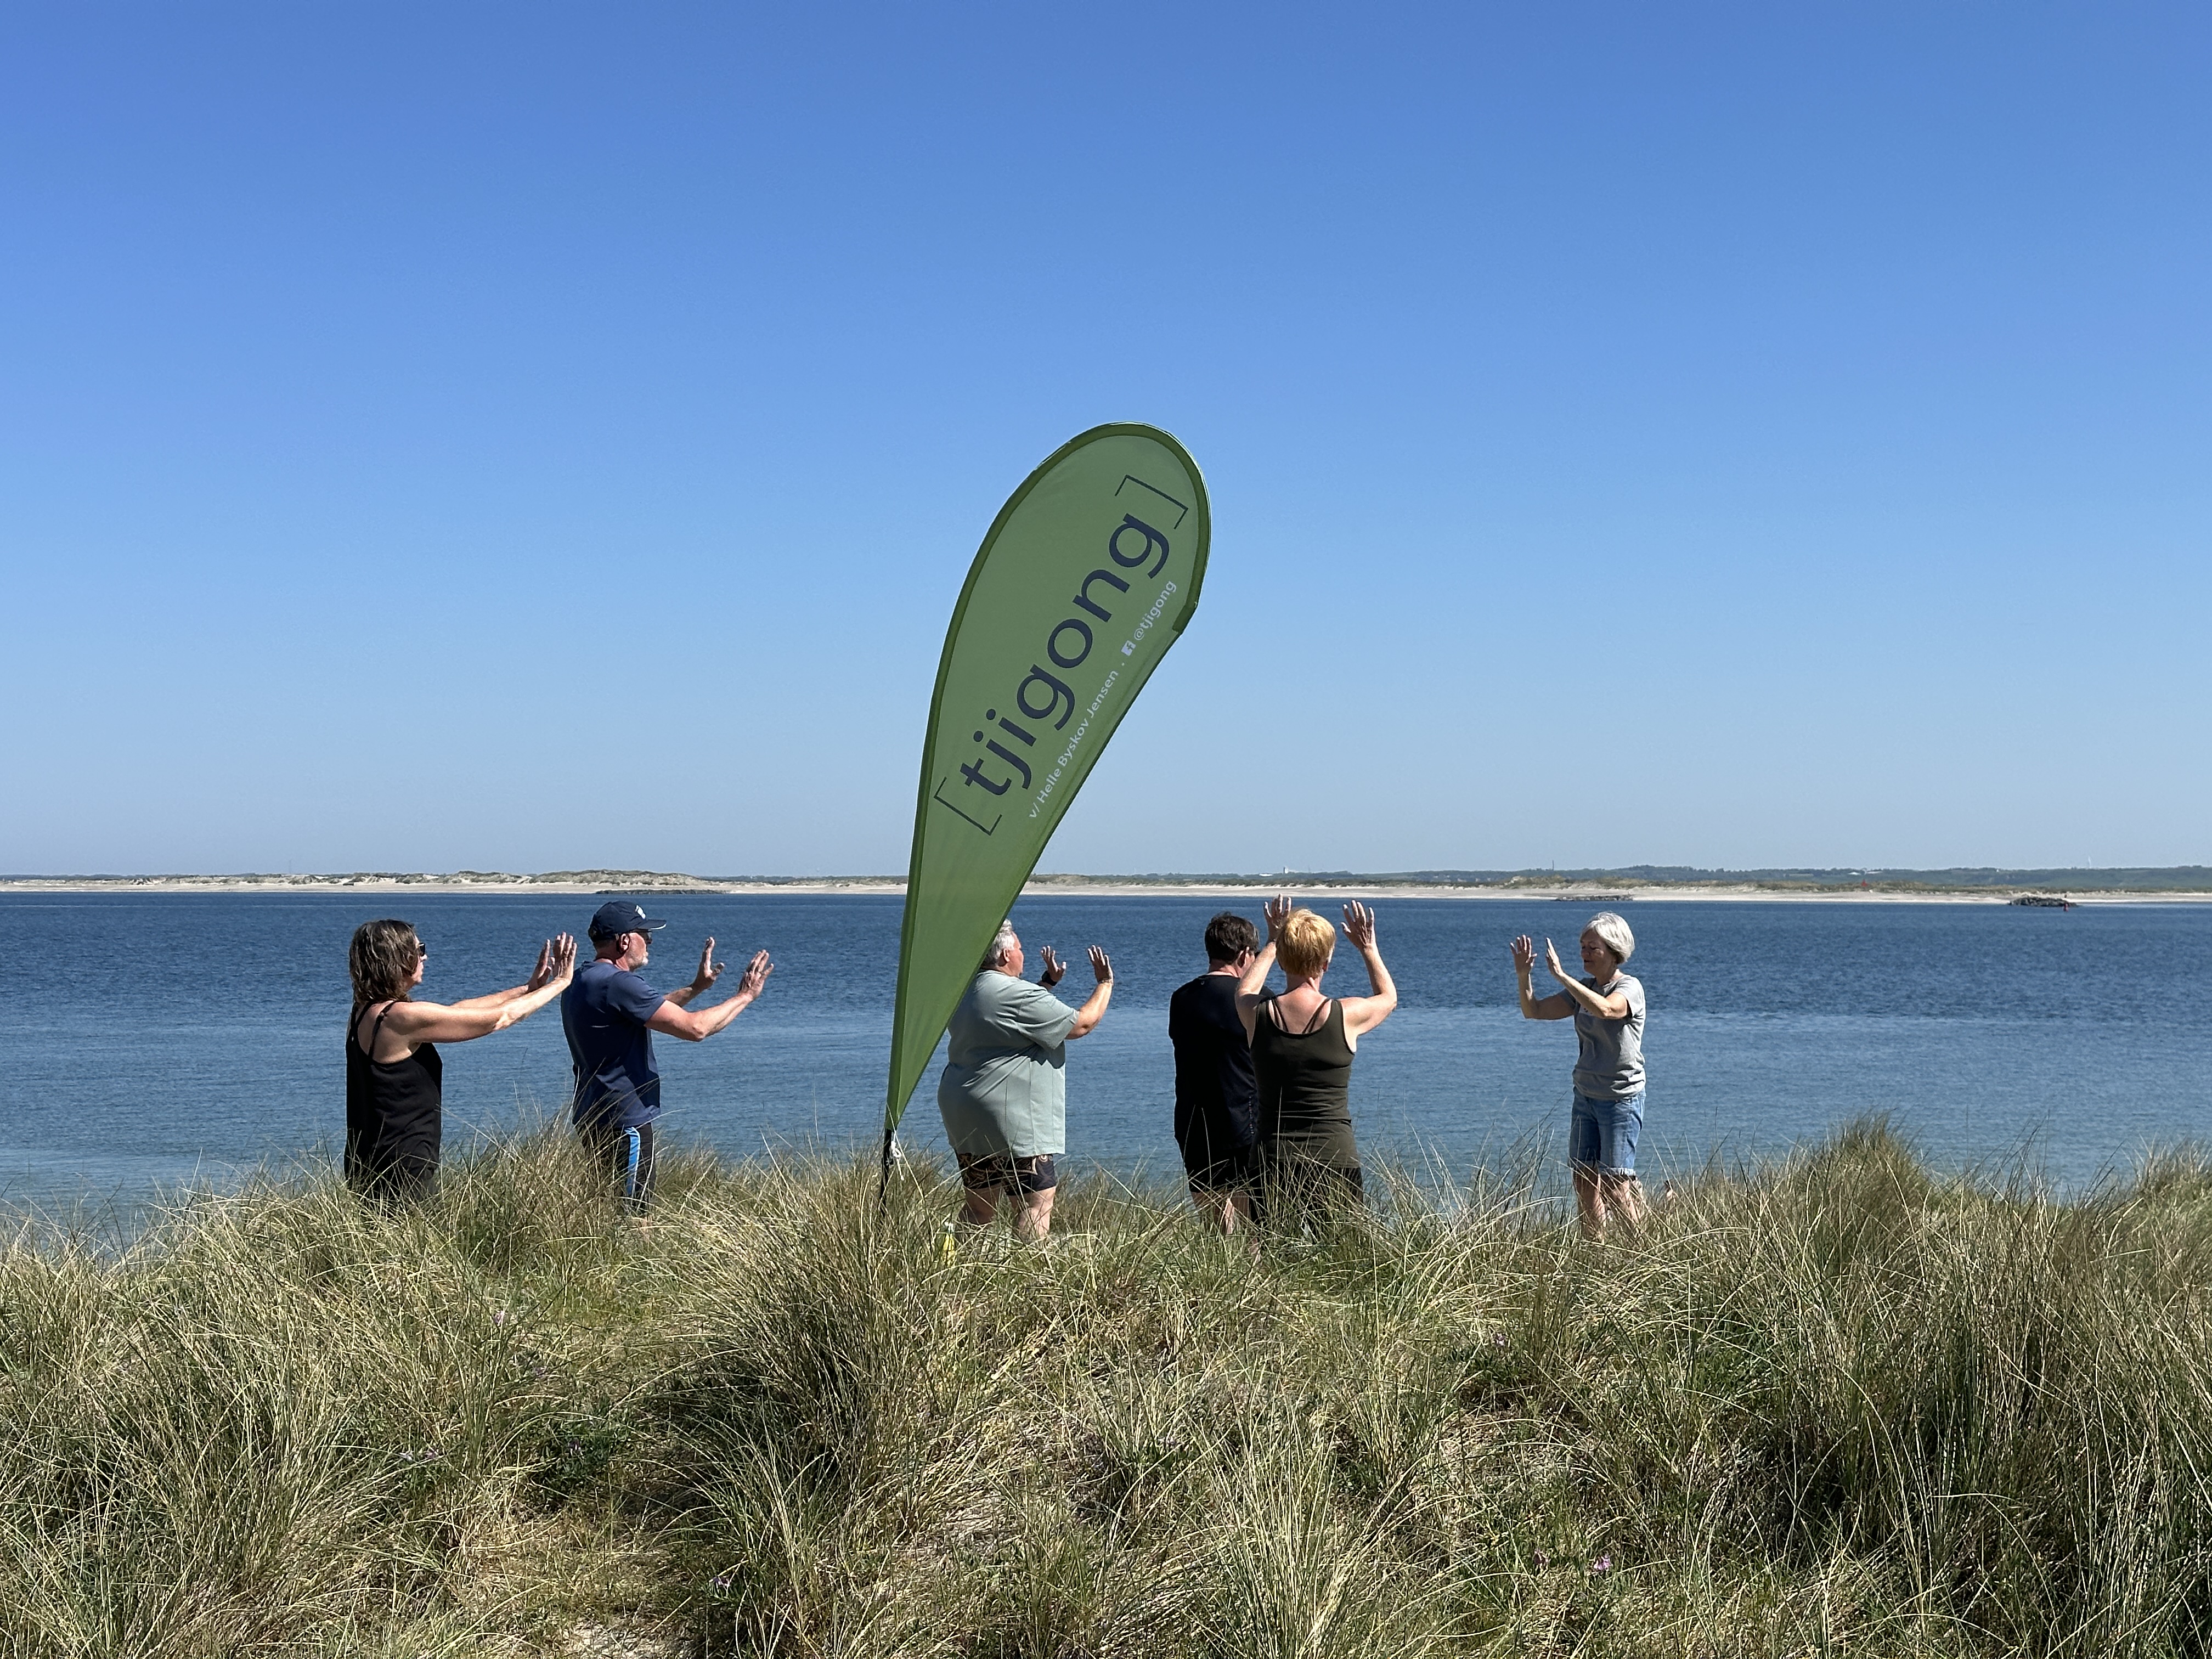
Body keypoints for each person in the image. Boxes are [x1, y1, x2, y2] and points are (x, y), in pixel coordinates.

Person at [344, 918, 576, 1207]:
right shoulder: (401, 1018)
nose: (425, 956)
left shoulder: (366, 1012)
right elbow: (498, 1019)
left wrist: (527, 989)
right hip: (404, 1169)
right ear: (399, 959)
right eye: (420, 949)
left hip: (365, 1164)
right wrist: (560, 985)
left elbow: (457, 1011)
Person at [561, 899, 772, 1214]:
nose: (650, 941)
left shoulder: (582, 980)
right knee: (635, 1217)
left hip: (591, 1115)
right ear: (624, 941)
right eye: (644, 934)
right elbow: (696, 1029)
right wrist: (745, 996)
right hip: (625, 1120)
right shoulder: (620, 983)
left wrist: (695, 988)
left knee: (606, 1206)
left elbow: (648, 1009)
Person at [937, 920, 1113, 1243]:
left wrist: (1046, 983)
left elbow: (1009, 1016)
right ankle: (1027, 1277)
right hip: (1009, 1114)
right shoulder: (1017, 994)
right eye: (1019, 949)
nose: (1023, 954)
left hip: (964, 1108)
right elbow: (1082, 1025)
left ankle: (958, 1272)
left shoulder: (966, 989)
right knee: (1035, 1203)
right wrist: (1105, 983)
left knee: (979, 1209)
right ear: (1006, 955)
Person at [1235, 896, 1397, 1227]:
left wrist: (1271, 941)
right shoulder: (1347, 1015)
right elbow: (1388, 998)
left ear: (1282, 960)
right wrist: (1368, 947)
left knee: (1277, 1261)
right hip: (1334, 1155)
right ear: (1326, 962)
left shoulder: (1257, 1013)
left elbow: (1244, 988)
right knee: (1345, 1260)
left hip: (1273, 1158)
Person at [1511, 912, 1647, 1240]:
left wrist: (1560, 975)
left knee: (1615, 1186)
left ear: (1614, 951)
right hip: (1585, 1096)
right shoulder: (1584, 989)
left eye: (1592, 947)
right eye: (1582, 946)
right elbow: (1535, 1011)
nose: (1584, 953)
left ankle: (1643, 1251)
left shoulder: (1630, 987)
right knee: (1584, 1181)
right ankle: (1595, 1252)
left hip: (1620, 1099)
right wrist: (1523, 975)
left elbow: (1607, 1009)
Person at [1167, 911, 1261, 1233]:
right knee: (1255, 1230)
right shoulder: (1253, 1004)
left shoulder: (1181, 999)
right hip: (1243, 1120)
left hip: (1194, 1123)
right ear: (1245, 955)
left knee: (1215, 1228)